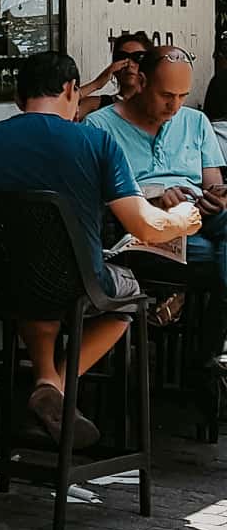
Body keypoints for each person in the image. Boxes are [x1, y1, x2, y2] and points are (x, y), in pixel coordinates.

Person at [0, 50, 201, 445]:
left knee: (34, 280)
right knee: (127, 294)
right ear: (72, 90)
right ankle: (58, 388)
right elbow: (146, 226)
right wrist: (184, 218)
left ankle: (46, 384)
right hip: (71, 284)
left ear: (18, 98)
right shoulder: (95, 142)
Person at [97, 46, 227, 332]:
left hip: (198, 217)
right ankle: (211, 355)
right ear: (141, 82)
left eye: (183, 96)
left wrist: (218, 200)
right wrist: (153, 198)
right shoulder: (100, 126)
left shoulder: (196, 122)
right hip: (142, 231)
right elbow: (98, 200)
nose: (175, 106)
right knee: (219, 257)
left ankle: (212, 357)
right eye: (167, 96)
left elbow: (213, 184)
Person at [77, 31, 153, 120]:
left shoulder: (158, 107)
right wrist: (96, 84)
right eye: (122, 58)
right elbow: (60, 113)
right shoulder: (97, 104)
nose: (130, 64)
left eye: (138, 58)